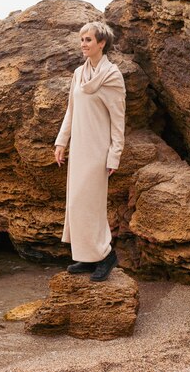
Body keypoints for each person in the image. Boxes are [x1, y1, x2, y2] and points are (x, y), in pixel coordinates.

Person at [54, 21, 126, 282]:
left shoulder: (113, 77)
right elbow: (71, 111)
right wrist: (61, 142)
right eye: (81, 39)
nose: (83, 44)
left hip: (97, 151)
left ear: (101, 43)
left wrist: (114, 154)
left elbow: (118, 121)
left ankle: (106, 256)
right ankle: (87, 256)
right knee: (76, 205)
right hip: (79, 149)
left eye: (88, 40)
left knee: (92, 206)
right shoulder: (78, 74)